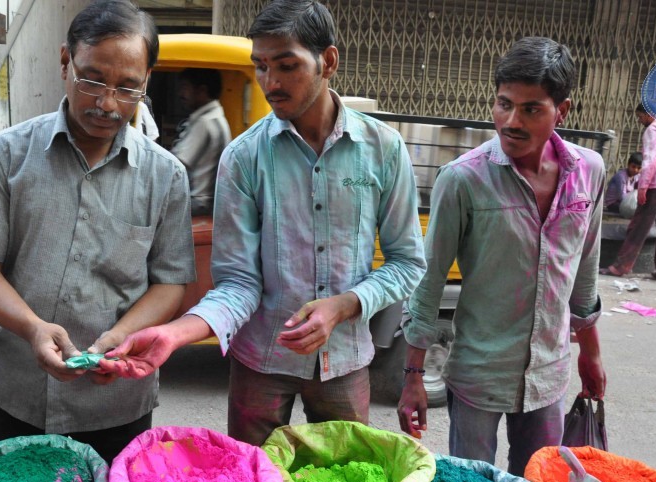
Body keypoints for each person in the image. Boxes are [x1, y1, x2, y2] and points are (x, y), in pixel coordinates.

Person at [102, 0, 425, 447]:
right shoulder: (243, 157)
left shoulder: (383, 149)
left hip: (344, 360)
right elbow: (238, 283)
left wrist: (345, 305)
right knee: (253, 480)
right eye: (261, 66)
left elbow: (407, 261)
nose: (271, 82)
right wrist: (173, 333)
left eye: (287, 66)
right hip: (259, 363)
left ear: (328, 61)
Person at [0, 0, 195, 464]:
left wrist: (119, 338)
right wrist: (33, 329)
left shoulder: (166, 176)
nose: (107, 103)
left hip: (117, 401)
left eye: (128, 88)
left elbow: (170, 284)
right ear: (66, 61)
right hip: (19, 393)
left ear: (147, 81)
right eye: (92, 80)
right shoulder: (6, 155)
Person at [397, 37, 607, 477]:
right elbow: (429, 283)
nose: (512, 121)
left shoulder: (589, 172)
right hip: (479, 373)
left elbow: (584, 269)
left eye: (531, 109)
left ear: (562, 111)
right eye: (504, 104)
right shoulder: (462, 179)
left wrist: (590, 353)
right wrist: (412, 375)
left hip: (549, 373)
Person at [599, 103, 656, 282]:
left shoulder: (653, 130)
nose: (639, 121)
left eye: (640, 117)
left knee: (638, 227)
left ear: (648, 114)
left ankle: (620, 267)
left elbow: (651, 160)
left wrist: (643, 187)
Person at [171, 68, 231, 216]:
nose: (180, 94)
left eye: (184, 87)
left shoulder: (204, 123)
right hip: (208, 203)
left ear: (202, 91)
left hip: (196, 203)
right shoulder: (216, 118)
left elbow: (175, 165)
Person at [604, 151, 641, 216]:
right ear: (628, 165)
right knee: (636, 211)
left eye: (639, 168)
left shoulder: (637, 176)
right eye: (633, 166)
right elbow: (622, 196)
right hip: (613, 203)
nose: (635, 170)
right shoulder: (621, 176)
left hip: (625, 202)